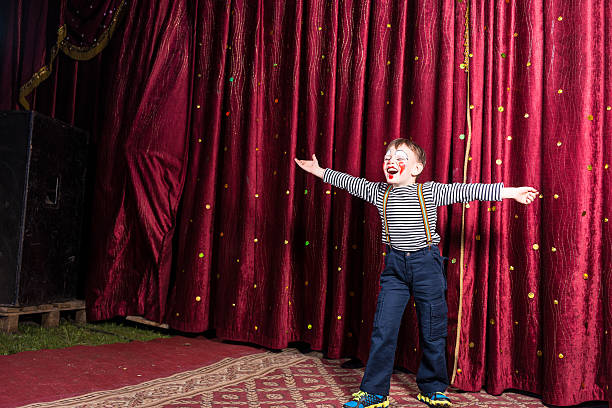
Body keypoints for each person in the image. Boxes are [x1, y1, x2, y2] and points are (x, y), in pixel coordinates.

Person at [294, 138, 538, 408]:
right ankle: (374, 393)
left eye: (399, 157)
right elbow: (347, 181)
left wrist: (511, 192)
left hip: (427, 266)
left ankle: (432, 388)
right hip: (394, 269)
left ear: (416, 168)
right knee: (383, 330)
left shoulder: (430, 192)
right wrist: (318, 171)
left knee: (433, 329)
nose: (390, 161)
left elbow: (469, 190)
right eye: (387, 157)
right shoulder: (377, 192)